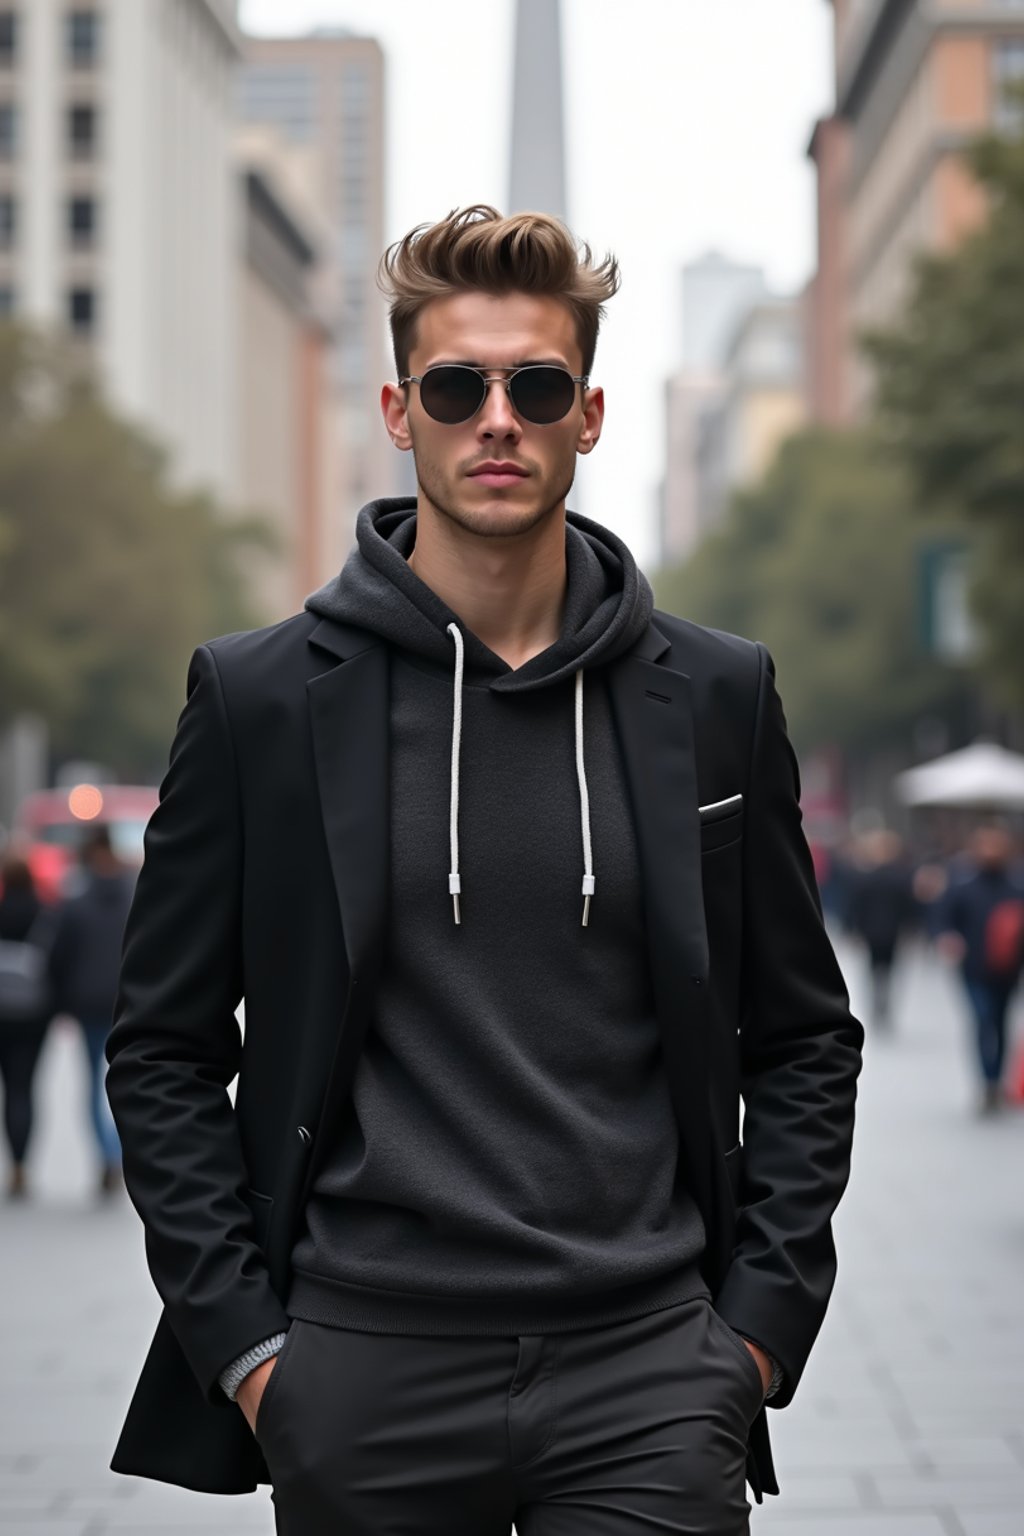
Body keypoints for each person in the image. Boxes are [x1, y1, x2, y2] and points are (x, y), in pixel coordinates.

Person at [105, 206, 864, 1534]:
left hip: (650, 1379)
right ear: (402, 413)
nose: (496, 419)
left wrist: (752, 1336)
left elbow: (802, 1036)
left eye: (538, 386)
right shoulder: (261, 698)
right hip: (361, 1373)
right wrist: (256, 1358)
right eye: (458, 387)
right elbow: (163, 1047)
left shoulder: (721, 694)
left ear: (591, 415)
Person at [49, 823, 133, 1195]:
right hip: (127, 1001)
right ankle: (118, 1152)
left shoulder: (75, 899)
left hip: (87, 1003)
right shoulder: (136, 895)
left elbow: (58, 956)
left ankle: (108, 1153)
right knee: (124, 1082)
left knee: (92, 1085)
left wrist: (60, 1001)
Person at [936, 822, 1024, 1115]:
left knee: (999, 1023)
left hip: (1007, 970)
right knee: (982, 1020)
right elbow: (943, 918)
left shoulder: (1016, 885)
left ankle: (995, 1081)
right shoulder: (963, 884)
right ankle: (986, 1081)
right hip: (973, 968)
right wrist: (948, 938)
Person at [0, 854, 54, 1199]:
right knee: (24, 1088)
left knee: (8, 1088)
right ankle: (21, 1164)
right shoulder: (45, 913)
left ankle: (14, 1161)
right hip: (34, 1012)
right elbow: (59, 961)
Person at [845, 829, 918, 1032]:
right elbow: (855, 905)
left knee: (881, 971)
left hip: (883, 931)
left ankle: (881, 1007)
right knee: (880, 971)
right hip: (878, 932)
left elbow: (908, 907)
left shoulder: (892, 877)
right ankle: (880, 1006)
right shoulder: (893, 877)